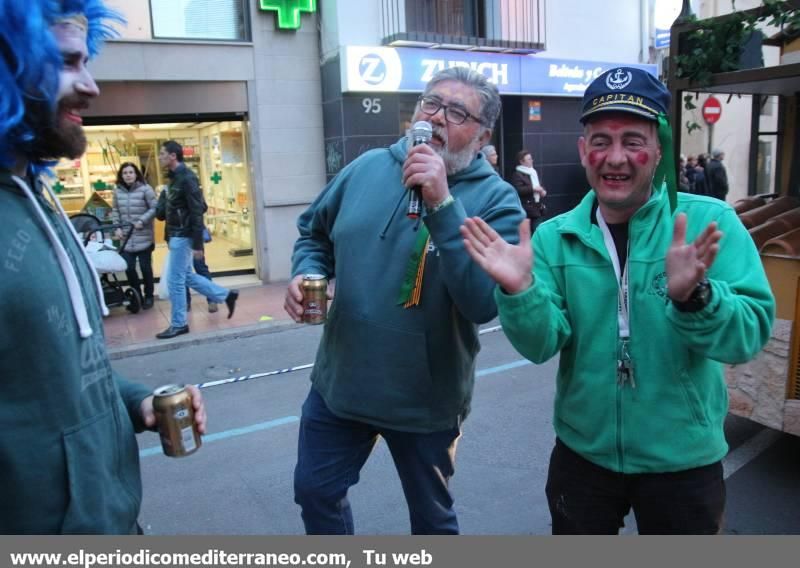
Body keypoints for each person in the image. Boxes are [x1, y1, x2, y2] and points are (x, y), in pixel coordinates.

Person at [461, 67, 775, 535]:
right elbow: (541, 343)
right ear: (584, 150)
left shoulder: (709, 223)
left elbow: (748, 338)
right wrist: (519, 290)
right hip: (582, 457)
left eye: (633, 140)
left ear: (659, 149)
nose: (616, 158)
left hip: (682, 461)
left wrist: (696, 296)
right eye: (602, 141)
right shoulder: (554, 237)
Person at [284, 67, 524, 534]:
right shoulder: (366, 168)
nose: (436, 118)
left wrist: (441, 202)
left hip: (425, 399)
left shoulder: (498, 201)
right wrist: (308, 272)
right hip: (341, 386)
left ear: (482, 134)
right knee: (315, 492)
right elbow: (314, 233)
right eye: (430, 103)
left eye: (456, 112)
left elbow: (481, 303)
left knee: (432, 520)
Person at [0, 0, 207, 533]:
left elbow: (63, 371)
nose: (92, 86)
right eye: (68, 62)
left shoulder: (34, 196)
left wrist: (136, 404)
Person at [154, 140, 238, 339]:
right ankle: (226, 296)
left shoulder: (187, 178)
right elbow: (163, 213)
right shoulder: (173, 179)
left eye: (162, 153)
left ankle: (179, 323)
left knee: (175, 280)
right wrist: (164, 198)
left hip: (183, 237)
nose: (160, 157)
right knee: (185, 276)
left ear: (173, 155)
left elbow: (198, 210)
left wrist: (198, 243)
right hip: (175, 235)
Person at [111, 161, 157, 310]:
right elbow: (115, 210)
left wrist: (142, 221)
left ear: (136, 174)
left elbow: (155, 208)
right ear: (121, 175)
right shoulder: (117, 191)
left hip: (143, 235)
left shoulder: (145, 189)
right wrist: (117, 228)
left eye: (131, 172)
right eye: (125, 173)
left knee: (145, 268)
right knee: (129, 268)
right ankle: (137, 296)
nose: (128, 175)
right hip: (126, 237)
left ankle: (149, 295)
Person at [509, 149, 547, 232]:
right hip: (527, 209)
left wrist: (542, 191)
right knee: (534, 231)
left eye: (531, 159)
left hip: (538, 207)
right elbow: (518, 190)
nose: (531, 161)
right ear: (522, 162)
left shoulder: (533, 172)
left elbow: (539, 186)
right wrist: (533, 189)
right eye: (529, 159)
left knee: (539, 230)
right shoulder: (517, 174)